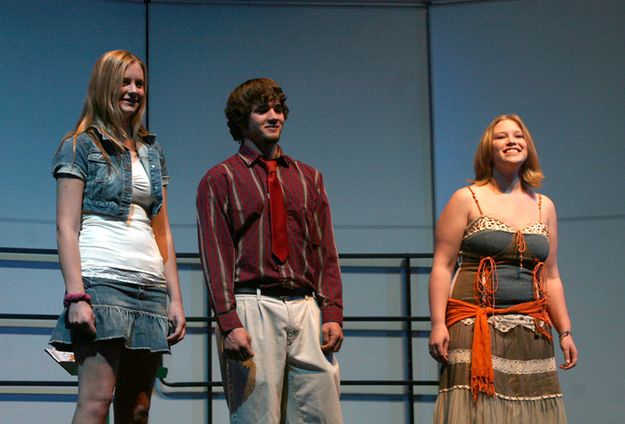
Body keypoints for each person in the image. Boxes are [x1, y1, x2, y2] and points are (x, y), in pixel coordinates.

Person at [48, 50, 186, 424]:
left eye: (139, 83)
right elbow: (66, 226)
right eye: (125, 82)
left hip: (150, 290)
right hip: (103, 284)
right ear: (105, 85)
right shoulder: (80, 145)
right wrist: (76, 294)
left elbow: (163, 229)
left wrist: (176, 297)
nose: (133, 90)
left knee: (138, 409)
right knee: (96, 402)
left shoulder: (152, 152)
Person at [196, 77, 344, 423]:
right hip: (253, 304)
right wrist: (229, 320)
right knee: (257, 416)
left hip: (306, 306)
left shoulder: (309, 178)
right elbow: (215, 255)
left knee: (321, 414)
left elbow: (324, 251)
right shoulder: (220, 179)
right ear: (242, 120)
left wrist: (333, 310)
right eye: (262, 110)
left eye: (278, 109)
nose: (274, 116)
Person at [428, 114, 578, 423]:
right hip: (474, 326)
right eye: (502, 136)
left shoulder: (544, 206)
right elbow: (442, 266)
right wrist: (438, 324)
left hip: (531, 328)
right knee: (478, 412)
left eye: (518, 135)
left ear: (528, 146)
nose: (512, 141)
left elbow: (551, 275)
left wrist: (565, 331)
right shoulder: (466, 199)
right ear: (488, 148)